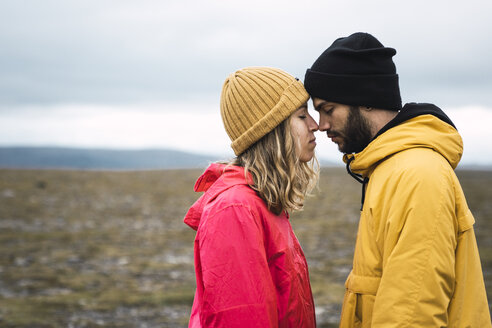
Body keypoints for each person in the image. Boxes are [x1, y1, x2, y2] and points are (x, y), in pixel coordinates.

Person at [304, 32, 491, 327]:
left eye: (328, 109)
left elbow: (412, 313)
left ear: (364, 99)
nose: (322, 125)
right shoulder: (388, 169)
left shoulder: (417, 175)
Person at [184, 67, 319, 327]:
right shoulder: (235, 210)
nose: (315, 125)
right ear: (272, 131)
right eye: (302, 116)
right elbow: (241, 316)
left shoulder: (263, 203)